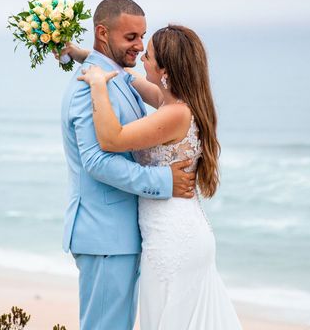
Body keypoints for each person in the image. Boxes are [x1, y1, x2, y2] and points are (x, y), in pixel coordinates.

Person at [74, 24, 242, 329]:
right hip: (175, 230)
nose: (141, 59)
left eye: (148, 55)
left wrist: (97, 85)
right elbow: (128, 76)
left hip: (172, 238)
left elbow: (112, 139)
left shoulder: (175, 113)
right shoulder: (171, 101)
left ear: (165, 70)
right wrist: (82, 54)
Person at [59, 0, 196, 330]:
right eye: (131, 37)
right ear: (103, 33)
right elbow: (96, 160)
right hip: (105, 236)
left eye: (142, 36)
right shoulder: (87, 88)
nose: (140, 46)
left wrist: (79, 52)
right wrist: (165, 182)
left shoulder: (117, 77)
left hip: (125, 237)